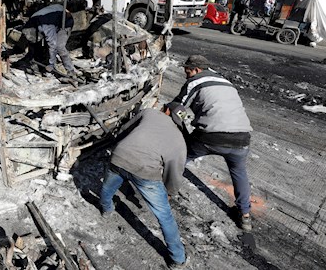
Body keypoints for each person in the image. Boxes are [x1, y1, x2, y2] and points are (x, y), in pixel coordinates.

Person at [100, 105, 188, 268]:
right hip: (145, 172)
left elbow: (124, 130)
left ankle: (106, 209)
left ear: (167, 111)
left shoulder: (149, 113)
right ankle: (177, 258)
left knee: (108, 186)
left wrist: (117, 148)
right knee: (164, 216)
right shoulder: (179, 141)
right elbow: (174, 172)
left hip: (120, 157)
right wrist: (170, 192)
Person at [172, 55, 253, 231]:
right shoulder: (225, 82)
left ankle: (165, 191)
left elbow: (177, 107)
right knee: (239, 172)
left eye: (187, 70)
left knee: (180, 157)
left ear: (196, 70)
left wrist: (182, 121)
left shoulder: (195, 81)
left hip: (211, 137)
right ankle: (245, 216)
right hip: (242, 137)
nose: (186, 74)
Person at [22, 0, 79, 76]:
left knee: (59, 46)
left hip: (66, 22)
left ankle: (70, 70)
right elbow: (29, 40)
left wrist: (51, 64)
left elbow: (52, 43)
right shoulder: (31, 21)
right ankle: (41, 62)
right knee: (38, 44)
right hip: (55, 18)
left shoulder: (45, 25)